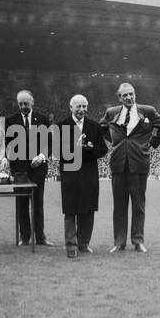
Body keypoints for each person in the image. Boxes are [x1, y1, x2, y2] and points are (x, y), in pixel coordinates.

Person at [101, 83, 160, 253]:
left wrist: (151, 144)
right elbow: (101, 128)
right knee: (119, 205)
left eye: (131, 94)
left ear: (135, 94)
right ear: (119, 97)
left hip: (139, 163)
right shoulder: (111, 113)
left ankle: (138, 240)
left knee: (138, 205)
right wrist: (114, 141)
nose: (129, 97)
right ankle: (119, 242)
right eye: (125, 95)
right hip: (118, 164)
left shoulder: (148, 111)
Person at [58, 95, 108, 259]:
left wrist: (90, 149)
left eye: (84, 106)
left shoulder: (94, 126)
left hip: (89, 176)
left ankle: (84, 243)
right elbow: (57, 151)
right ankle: (71, 246)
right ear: (71, 107)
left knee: (88, 210)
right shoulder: (61, 126)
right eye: (78, 106)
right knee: (71, 211)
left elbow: (103, 150)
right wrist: (75, 148)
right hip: (70, 175)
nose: (81, 110)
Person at [5, 90, 54, 247]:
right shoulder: (11, 120)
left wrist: (41, 156)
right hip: (19, 170)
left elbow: (50, 143)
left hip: (38, 169)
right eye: (20, 104)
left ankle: (40, 237)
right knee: (21, 204)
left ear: (32, 102)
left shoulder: (43, 119)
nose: (23, 106)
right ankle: (24, 237)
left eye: (26, 103)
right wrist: (6, 158)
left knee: (38, 204)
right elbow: (6, 144)